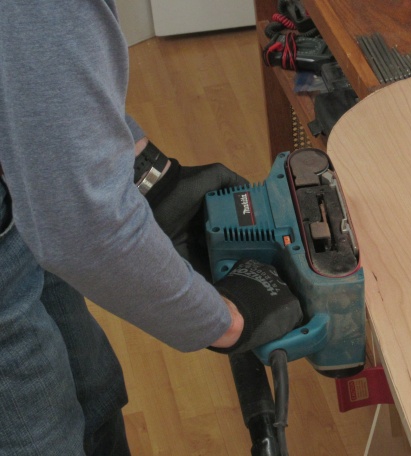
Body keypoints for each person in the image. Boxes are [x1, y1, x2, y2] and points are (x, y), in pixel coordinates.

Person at [0, 2, 302, 455]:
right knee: (41, 437)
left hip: (19, 190)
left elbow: (36, 84)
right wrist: (227, 322)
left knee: (93, 389)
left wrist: (154, 176)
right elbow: (86, 231)